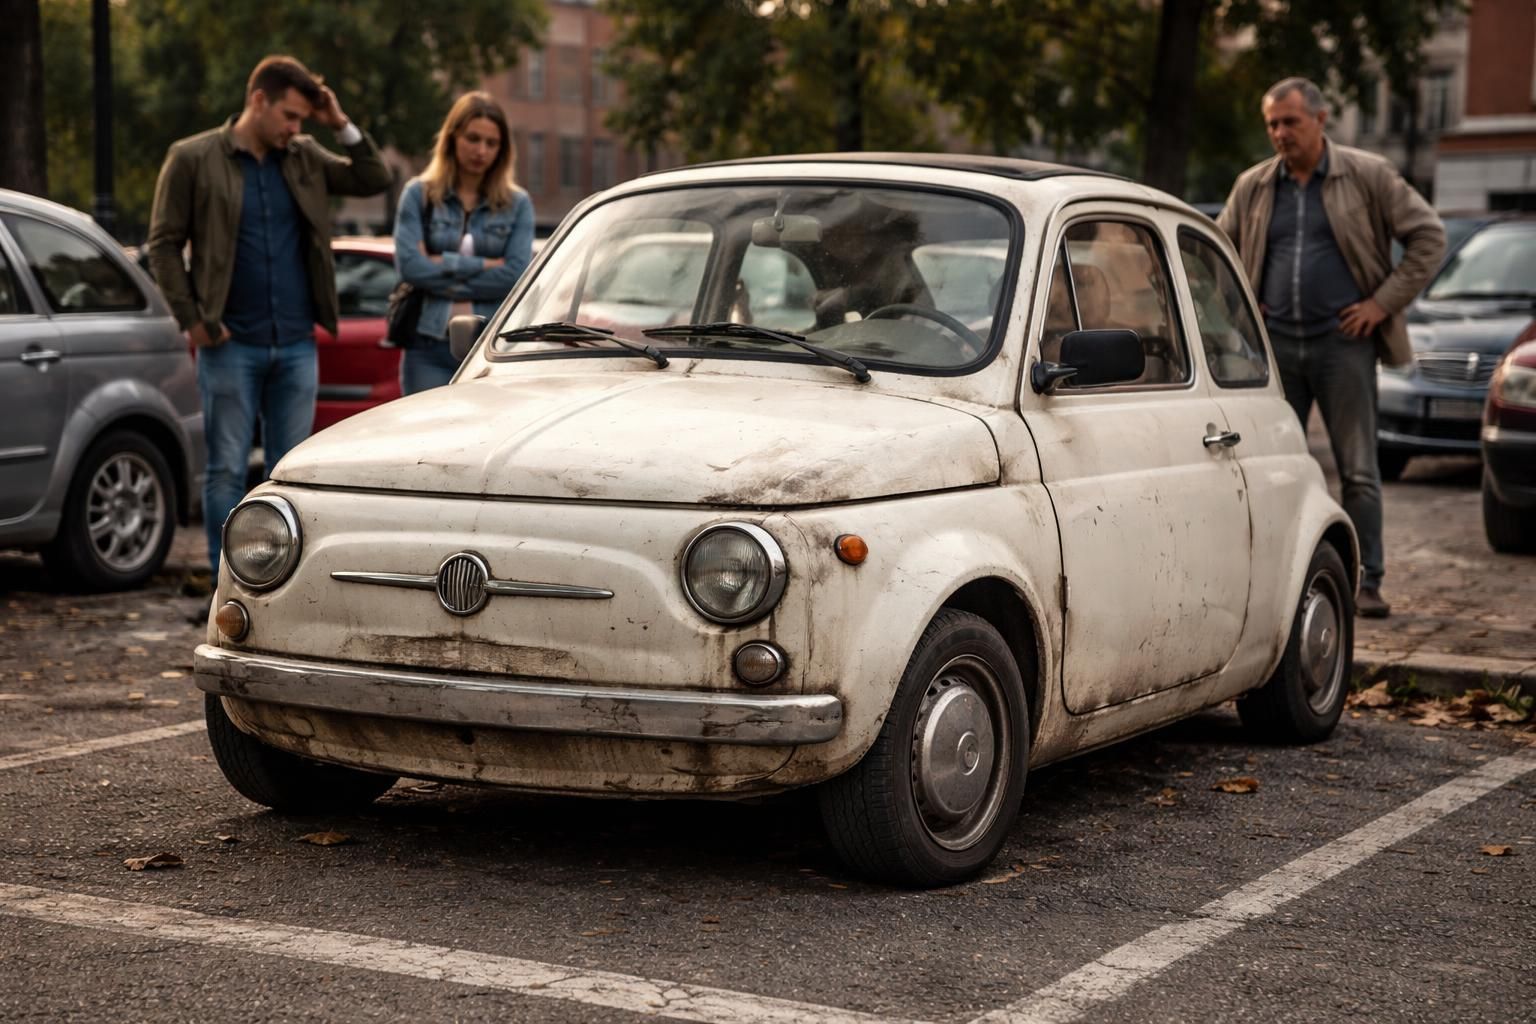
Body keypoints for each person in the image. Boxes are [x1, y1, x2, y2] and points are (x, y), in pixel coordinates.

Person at [148, 55, 390, 575]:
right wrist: (192, 319)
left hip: (298, 342)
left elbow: (373, 178)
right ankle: (225, 589)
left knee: (293, 476)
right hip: (229, 342)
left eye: (303, 119)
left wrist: (338, 122)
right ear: (258, 100)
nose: (295, 128)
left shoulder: (303, 155)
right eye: (289, 115)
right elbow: (164, 244)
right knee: (226, 472)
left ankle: (285, 591)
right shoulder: (193, 157)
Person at [1217, 77, 1445, 620]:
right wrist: (1243, 312)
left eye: (1290, 121)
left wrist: (1380, 304)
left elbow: (1429, 236)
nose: (1279, 133)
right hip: (1273, 354)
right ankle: (1274, 581)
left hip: (1344, 345)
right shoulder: (1254, 185)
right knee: (1272, 468)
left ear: (1321, 120)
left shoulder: (1366, 175)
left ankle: (1368, 581)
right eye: (1272, 123)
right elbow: (1218, 252)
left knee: (1359, 470)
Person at [393, 91, 534, 393]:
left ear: (502, 149)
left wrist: (439, 264)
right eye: (472, 138)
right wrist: (486, 265)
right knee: (425, 437)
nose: (481, 150)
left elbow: (515, 275)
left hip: (491, 352)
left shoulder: (517, 203)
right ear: (453, 137)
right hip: (428, 346)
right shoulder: (418, 195)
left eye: (491, 143)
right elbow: (411, 267)